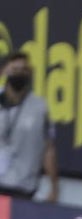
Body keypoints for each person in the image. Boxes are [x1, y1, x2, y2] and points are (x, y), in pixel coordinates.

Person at [0, 53, 58, 202]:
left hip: (23, 188)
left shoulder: (39, 107)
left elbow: (48, 148)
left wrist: (54, 186)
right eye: (15, 69)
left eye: (24, 69)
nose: (19, 73)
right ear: (5, 71)